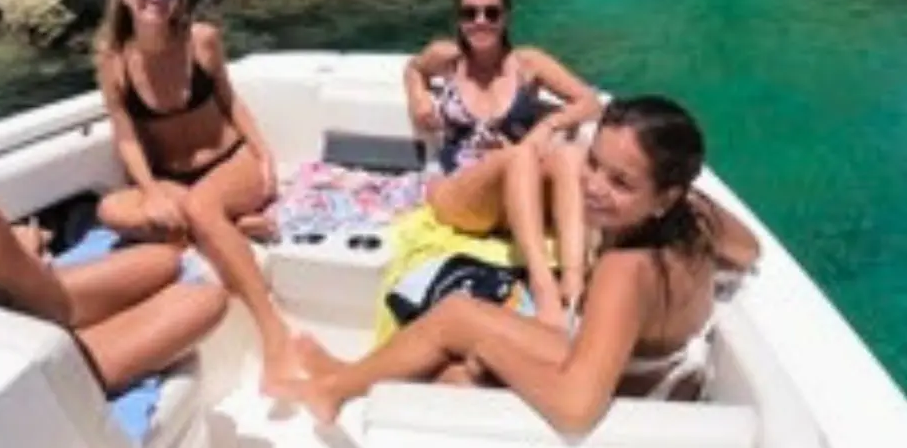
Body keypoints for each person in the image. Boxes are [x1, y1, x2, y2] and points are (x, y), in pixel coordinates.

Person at [273, 95, 762, 435]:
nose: (592, 185)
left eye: (621, 182)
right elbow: (752, 249)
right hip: (648, 364)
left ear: (663, 195)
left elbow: (575, 410)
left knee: (452, 376)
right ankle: (338, 383)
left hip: (633, 388)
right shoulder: (695, 217)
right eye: (593, 163)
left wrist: (490, 350)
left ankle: (336, 387)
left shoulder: (626, 271)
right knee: (457, 314)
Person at [0, 58, 227, 394]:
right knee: (206, 300)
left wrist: (13, 253)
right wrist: (27, 254)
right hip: (20, 383)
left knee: (164, 261)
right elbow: (60, 310)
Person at [90, 0, 299, 393]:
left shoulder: (201, 41)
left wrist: (263, 154)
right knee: (110, 210)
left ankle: (274, 333)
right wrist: (150, 192)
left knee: (204, 206)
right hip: (172, 180)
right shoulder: (112, 63)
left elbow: (230, 100)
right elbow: (126, 136)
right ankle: (232, 229)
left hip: (229, 164)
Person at [405, 0, 604, 327]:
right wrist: (418, 95)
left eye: (491, 13)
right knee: (517, 156)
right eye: (470, 13)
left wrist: (547, 126)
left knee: (569, 155)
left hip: (519, 189)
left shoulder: (528, 63)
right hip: (462, 192)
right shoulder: (447, 59)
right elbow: (413, 68)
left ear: (506, 17)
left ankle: (575, 279)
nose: (480, 21)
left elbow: (589, 102)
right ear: (459, 20)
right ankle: (543, 286)